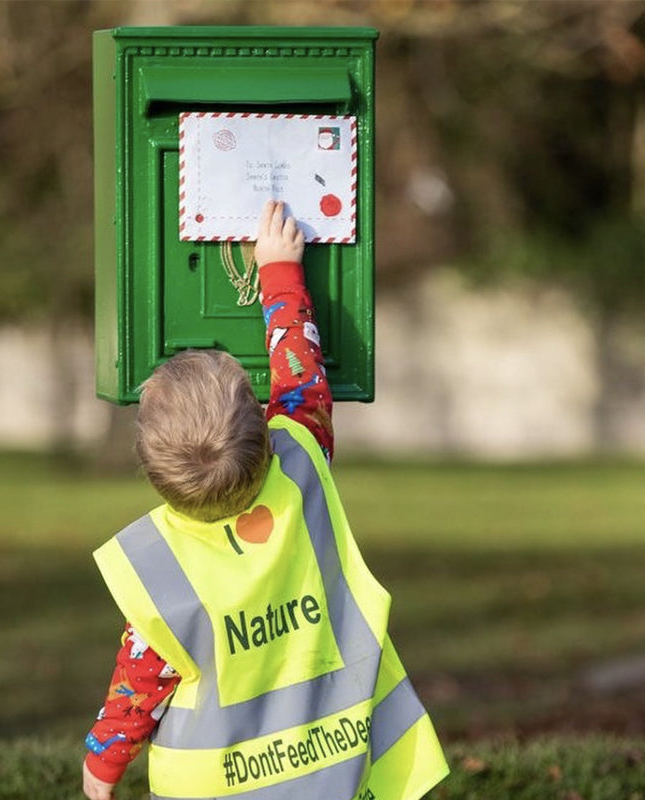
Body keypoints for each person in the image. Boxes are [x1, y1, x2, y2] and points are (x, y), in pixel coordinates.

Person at [83, 200, 448, 800]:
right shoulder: (301, 465)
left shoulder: (164, 566)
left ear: (155, 473)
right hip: (336, 762)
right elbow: (301, 378)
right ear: (262, 426)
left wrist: (103, 758)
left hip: (218, 782)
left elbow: (140, 681)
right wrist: (278, 271)